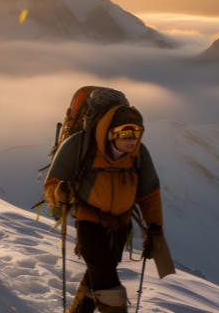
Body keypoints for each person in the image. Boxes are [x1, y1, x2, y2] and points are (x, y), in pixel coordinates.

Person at [44, 105, 164, 313]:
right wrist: (61, 193)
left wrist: (155, 228)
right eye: (125, 132)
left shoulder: (139, 155)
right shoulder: (80, 145)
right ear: (110, 133)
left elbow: (149, 194)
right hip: (89, 221)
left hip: (121, 225)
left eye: (137, 133)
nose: (132, 139)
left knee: (96, 275)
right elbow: (52, 184)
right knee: (105, 276)